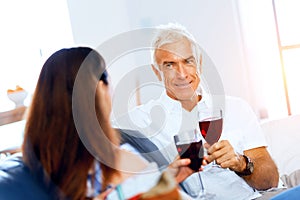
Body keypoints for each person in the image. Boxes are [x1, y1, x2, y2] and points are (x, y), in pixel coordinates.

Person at [112, 23, 280, 199]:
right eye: (170, 65)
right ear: (156, 72)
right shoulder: (139, 120)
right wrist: (167, 176)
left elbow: (271, 181)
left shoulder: (236, 108)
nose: (182, 74)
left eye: (188, 61)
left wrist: (241, 163)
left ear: (199, 63)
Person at [0, 47, 193, 200]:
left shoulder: (36, 165)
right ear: (100, 89)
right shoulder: (119, 162)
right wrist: (158, 182)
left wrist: (162, 180)